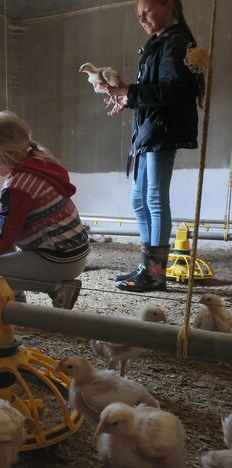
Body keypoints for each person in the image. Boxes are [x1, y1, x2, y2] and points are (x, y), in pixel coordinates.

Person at [100, 0, 204, 292]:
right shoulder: (158, 43)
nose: (142, 19)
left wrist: (129, 92)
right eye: (138, 15)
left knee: (155, 198)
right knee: (139, 199)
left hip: (162, 130)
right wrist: (126, 97)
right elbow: (153, 91)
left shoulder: (177, 41)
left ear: (168, 5)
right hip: (149, 129)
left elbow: (170, 89)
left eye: (147, 11)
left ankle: (156, 273)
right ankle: (147, 265)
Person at [0, 111, 90, 309]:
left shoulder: (17, 184)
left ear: (10, 154)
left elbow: (4, 239)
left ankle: (57, 287)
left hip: (60, 260)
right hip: (74, 251)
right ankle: (15, 297)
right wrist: (2, 211)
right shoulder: (39, 163)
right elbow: (35, 209)